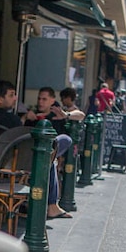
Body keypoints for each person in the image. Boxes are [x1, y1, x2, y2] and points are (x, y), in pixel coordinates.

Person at [27, 87, 84, 218]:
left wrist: (66, 115)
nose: (40, 102)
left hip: (50, 154)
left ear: (53, 100)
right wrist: (25, 117)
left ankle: (52, 205)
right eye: (39, 99)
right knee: (50, 162)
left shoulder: (57, 113)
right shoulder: (33, 115)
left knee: (51, 158)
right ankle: (52, 206)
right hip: (28, 157)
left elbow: (81, 115)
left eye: (44, 99)